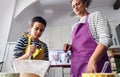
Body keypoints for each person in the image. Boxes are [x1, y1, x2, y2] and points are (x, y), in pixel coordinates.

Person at [63, 0, 113, 77]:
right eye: (73, 6)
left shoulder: (95, 16)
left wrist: (93, 60)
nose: (75, 7)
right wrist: (70, 46)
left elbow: (106, 39)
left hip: (95, 67)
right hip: (76, 69)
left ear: (85, 3)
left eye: (78, 4)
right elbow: (77, 47)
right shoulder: (74, 27)